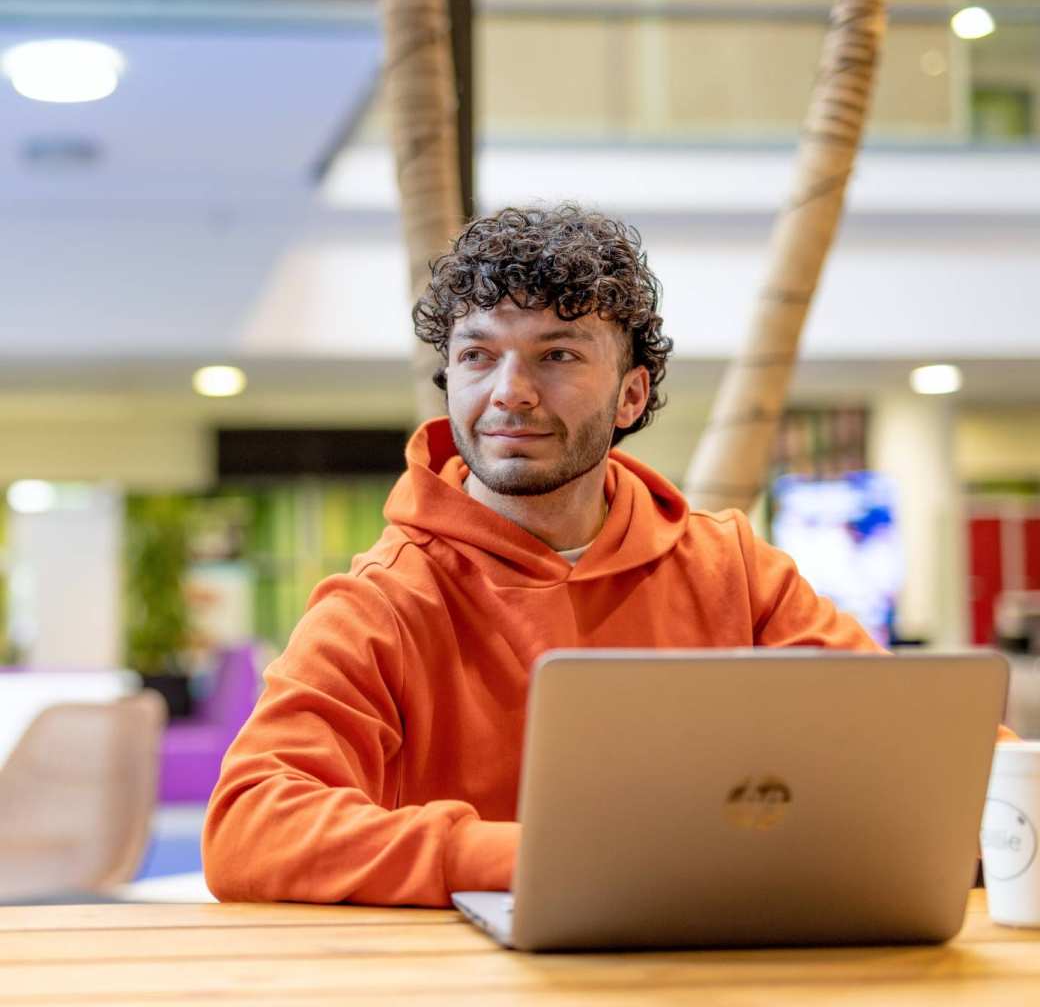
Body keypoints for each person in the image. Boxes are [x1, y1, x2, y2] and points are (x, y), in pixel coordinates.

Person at [201, 204, 998, 908]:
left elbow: (920, 741)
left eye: (558, 355)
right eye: (478, 355)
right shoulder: (384, 601)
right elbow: (250, 824)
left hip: (718, 955)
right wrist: (534, 859)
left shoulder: (733, 569)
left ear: (631, 397)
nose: (509, 391)